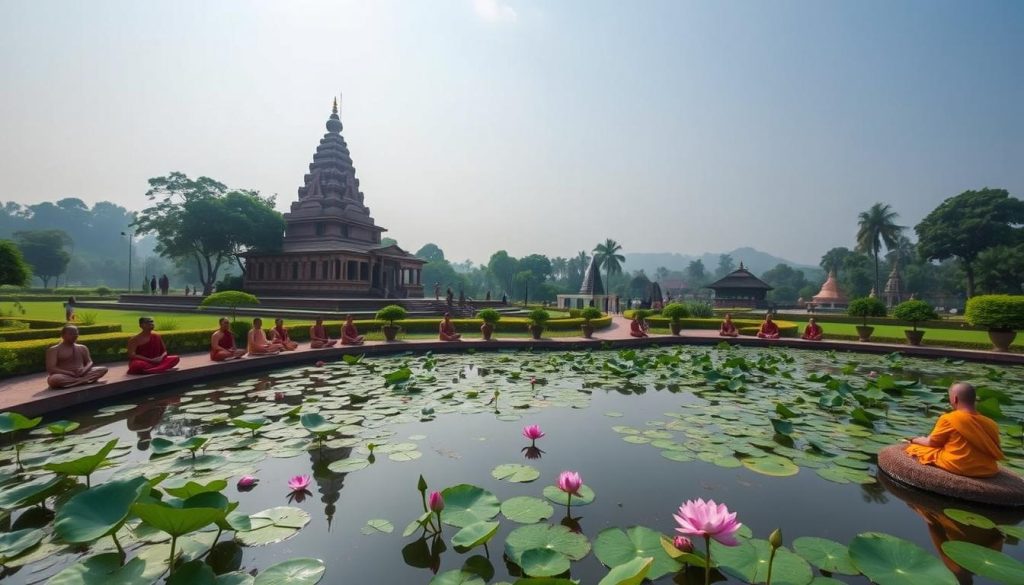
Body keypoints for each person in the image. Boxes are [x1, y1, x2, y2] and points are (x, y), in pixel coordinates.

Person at [905, 382, 1004, 477]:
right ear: (974, 400)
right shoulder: (992, 423)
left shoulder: (949, 418)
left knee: (915, 448)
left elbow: (932, 443)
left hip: (959, 465)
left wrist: (914, 439)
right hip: (988, 469)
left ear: (955, 399)